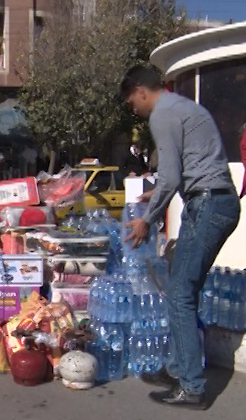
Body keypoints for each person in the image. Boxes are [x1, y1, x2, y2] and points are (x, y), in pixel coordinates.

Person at [121, 65, 239, 409]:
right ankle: (178, 368)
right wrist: (155, 192)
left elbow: (171, 177)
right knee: (184, 290)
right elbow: (182, 171)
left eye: (132, 103)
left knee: (179, 294)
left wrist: (147, 220)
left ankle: (192, 387)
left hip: (208, 206)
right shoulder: (183, 107)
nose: (134, 110)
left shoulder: (162, 114)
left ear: (142, 92)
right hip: (215, 203)